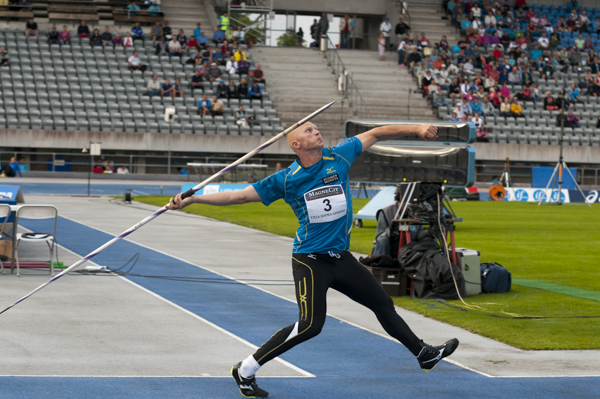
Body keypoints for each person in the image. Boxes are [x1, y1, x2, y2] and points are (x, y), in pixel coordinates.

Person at [166, 122, 457, 399]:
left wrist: (417, 130)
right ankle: (245, 369)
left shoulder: (339, 155)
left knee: (382, 304)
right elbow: (240, 196)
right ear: (296, 144)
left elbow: (377, 133)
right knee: (310, 325)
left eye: (315, 128)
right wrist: (194, 199)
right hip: (310, 260)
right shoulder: (286, 180)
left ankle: (423, 354)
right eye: (308, 130)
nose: (316, 132)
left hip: (340, 258)